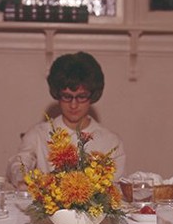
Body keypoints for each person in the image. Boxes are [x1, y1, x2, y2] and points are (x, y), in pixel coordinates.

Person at [7, 51, 126, 185]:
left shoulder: (111, 142)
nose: (73, 105)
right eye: (67, 96)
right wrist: (23, 178)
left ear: (93, 96)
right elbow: (19, 164)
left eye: (81, 97)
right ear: (57, 94)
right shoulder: (39, 134)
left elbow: (114, 190)